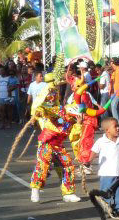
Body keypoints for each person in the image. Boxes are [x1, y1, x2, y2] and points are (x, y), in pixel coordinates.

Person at [28, 76, 80, 204]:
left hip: (58, 146)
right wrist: (38, 113)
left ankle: (68, 193)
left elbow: (75, 136)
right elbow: (44, 107)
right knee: (43, 165)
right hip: (47, 143)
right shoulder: (58, 110)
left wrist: (78, 123)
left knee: (67, 165)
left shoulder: (73, 121)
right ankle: (35, 189)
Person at [91, 117, 119, 218]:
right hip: (106, 172)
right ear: (107, 130)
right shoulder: (101, 141)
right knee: (105, 192)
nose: (118, 128)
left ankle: (118, 208)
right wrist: (87, 162)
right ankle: (106, 208)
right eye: (115, 126)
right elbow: (94, 152)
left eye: (118, 126)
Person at [0, 65, 18, 130]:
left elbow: (15, 85)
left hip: (9, 96)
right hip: (1, 96)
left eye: (2, 70)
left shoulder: (9, 77)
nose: (1, 71)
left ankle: (9, 124)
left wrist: (10, 90)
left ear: (5, 71)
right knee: (2, 110)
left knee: (9, 110)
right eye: (0, 70)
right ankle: (2, 124)